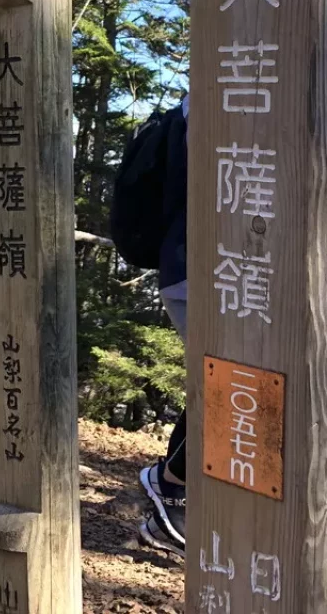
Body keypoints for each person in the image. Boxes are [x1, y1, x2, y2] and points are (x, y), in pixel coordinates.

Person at [112, 93, 189, 558]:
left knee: (220, 384)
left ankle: (174, 489)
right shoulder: (218, 105)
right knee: (226, 386)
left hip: (191, 267)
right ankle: (170, 487)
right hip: (195, 267)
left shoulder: (197, 106)